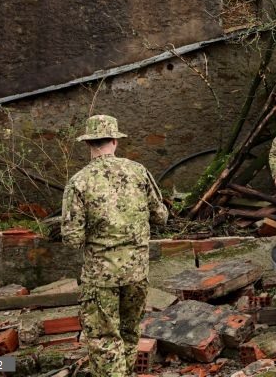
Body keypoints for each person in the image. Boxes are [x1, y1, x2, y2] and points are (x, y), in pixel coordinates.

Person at [61, 114, 168, 377]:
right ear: (114, 141)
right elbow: (161, 216)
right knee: (130, 333)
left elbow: (72, 238)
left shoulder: (79, 182)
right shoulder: (138, 172)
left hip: (100, 278)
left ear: (89, 144)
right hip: (137, 273)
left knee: (104, 340)